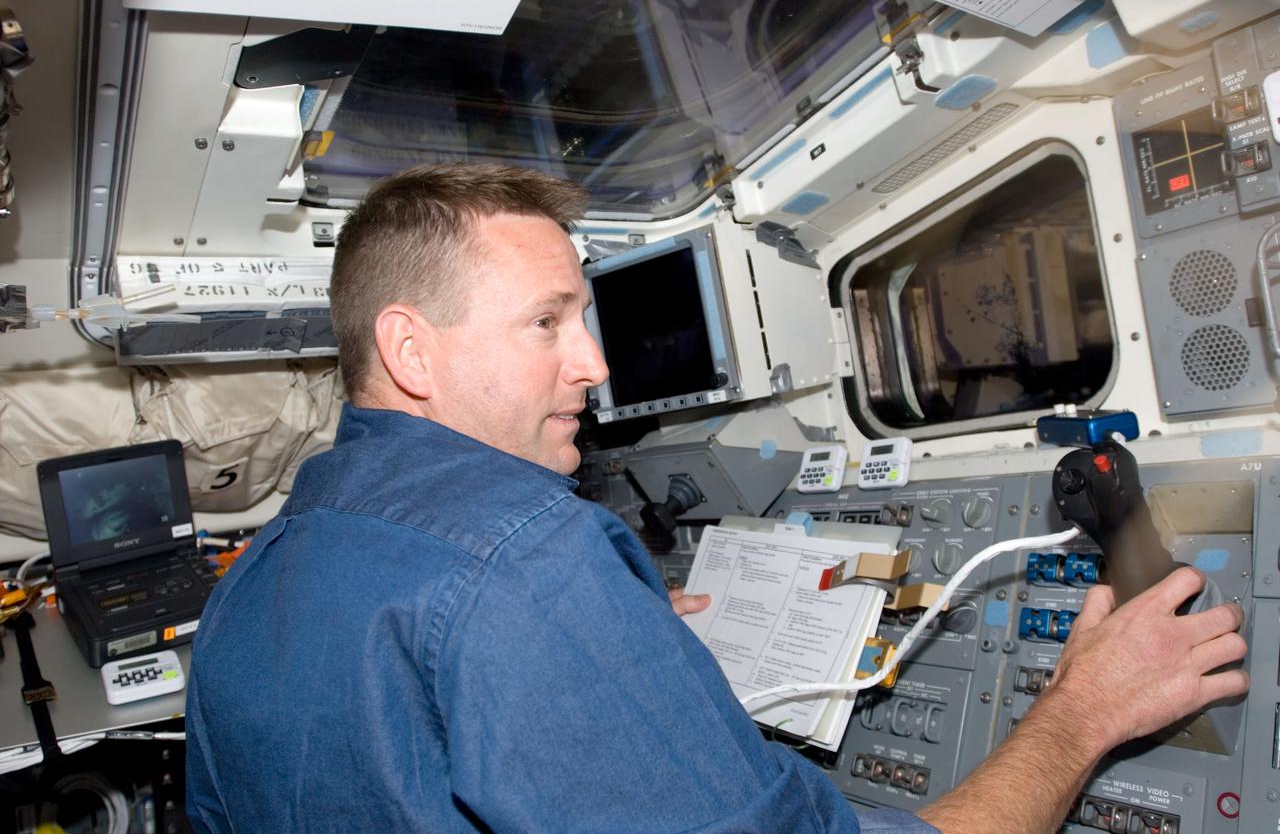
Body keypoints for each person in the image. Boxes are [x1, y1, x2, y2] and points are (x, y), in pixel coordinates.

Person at [184, 163, 1248, 834]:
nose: (593, 366)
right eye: (546, 323)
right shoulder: (529, 558)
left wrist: (612, 650)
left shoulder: (256, 576)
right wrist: (1081, 713)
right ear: (410, 349)